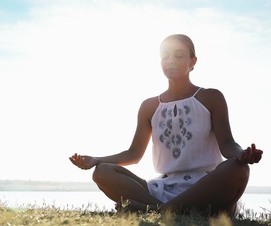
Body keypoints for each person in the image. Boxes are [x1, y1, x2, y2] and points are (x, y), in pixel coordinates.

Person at [69, 34, 263, 216]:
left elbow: (228, 145)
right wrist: (96, 160)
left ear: (192, 62)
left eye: (179, 56)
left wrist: (241, 154)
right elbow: (133, 154)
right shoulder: (149, 106)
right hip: (162, 188)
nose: (170, 61)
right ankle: (164, 209)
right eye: (165, 56)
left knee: (239, 169)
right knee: (103, 171)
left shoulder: (211, 97)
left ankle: (156, 210)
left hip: (206, 188)